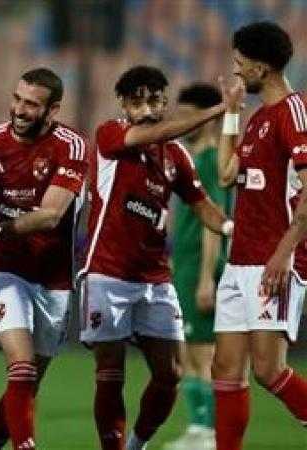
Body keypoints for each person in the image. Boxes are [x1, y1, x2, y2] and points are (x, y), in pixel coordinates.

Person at [79, 65, 232, 450]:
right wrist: (218, 111)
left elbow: (201, 204)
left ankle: (136, 444)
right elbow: (153, 133)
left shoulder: (177, 156)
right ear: (123, 104)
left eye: (155, 101)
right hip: (108, 273)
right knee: (110, 373)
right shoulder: (111, 134)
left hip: (155, 279)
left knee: (172, 373)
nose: (146, 110)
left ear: (165, 103)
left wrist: (232, 228)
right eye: (137, 102)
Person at [0, 68, 89, 450]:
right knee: (20, 367)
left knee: (26, 384)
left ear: (52, 110)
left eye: (31, 104)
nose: (20, 110)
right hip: (5, 267)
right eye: (17, 99)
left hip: (54, 276)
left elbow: (51, 215)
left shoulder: (71, 146)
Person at [212, 21, 307, 450]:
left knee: (269, 370)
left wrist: (283, 254)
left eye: (240, 63)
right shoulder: (258, 118)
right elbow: (226, 174)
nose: (236, 71)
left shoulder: (293, 112)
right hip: (240, 261)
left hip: (275, 259)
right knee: (225, 369)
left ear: (262, 68)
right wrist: (232, 113)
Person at [164, 83, 229, 450]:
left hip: (201, 270)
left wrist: (207, 278)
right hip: (186, 266)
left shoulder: (210, 161)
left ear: (210, 119)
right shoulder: (190, 161)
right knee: (188, 353)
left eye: (191, 117)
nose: (185, 123)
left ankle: (207, 432)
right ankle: (198, 428)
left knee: (202, 354)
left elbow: (213, 223)